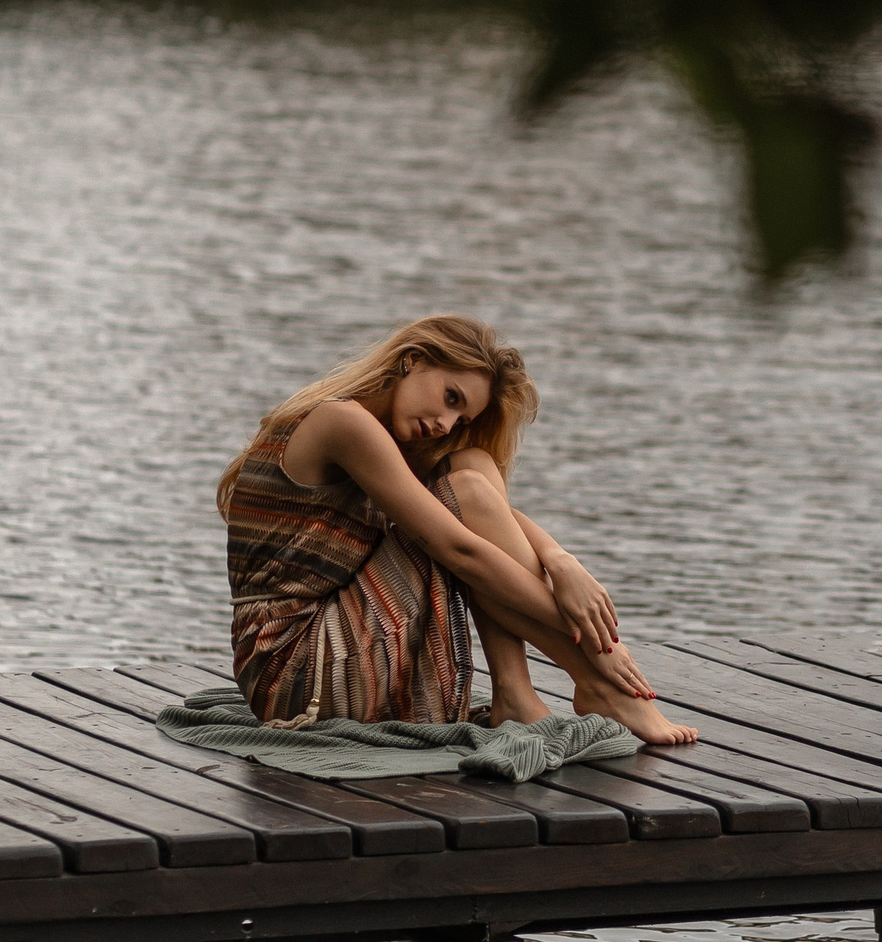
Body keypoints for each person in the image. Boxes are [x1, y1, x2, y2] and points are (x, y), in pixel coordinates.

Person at [216, 313, 696, 748]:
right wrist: (597, 643)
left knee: (473, 464)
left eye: (460, 417)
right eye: (450, 398)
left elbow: (486, 514)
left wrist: (563, 562)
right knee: (466, 497)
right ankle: (597, 684)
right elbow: (459, 548)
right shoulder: (342, 423)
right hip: (294, 672)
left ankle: (515, 692)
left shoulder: (384, 439)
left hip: (328, 651)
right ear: (413, 360)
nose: (445, 424)